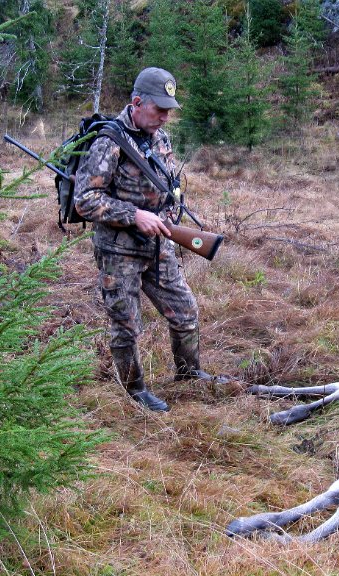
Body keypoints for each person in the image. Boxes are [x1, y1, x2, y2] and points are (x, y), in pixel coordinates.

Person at [75, 67, 224, 412]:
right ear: (137, 102)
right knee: (126, 325)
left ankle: (189, 372)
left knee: (185, 310)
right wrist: (134, 215)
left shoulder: (160, 138)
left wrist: (169, 218)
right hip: (118, 252)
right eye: (159, 109)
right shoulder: (108, 143)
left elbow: (168, 185)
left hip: (158, 246)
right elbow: (85, 200)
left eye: (169, 110)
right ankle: (135, 391)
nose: (165, 117)